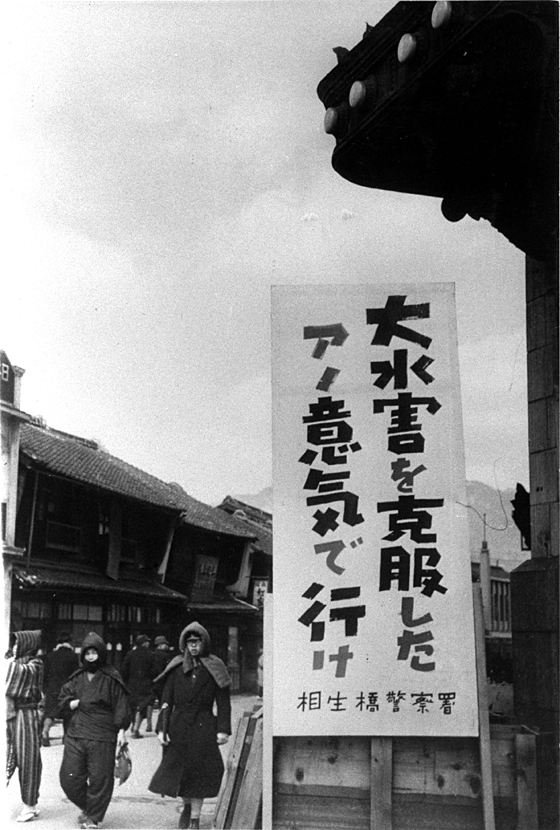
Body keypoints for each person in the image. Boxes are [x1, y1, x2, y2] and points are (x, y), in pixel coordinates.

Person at [148, 622, 232, 829]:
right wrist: (162, 728)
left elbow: (223, 701)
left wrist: (223, 729)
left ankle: (195, 817)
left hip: (203, 726)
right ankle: (186, 806)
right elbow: (167, 700)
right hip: (178, 726)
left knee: (200, 773)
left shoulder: (216, 667)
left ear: (205, 643)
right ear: (184, 645)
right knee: (179, 772)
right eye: (190, 642)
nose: (193, 646)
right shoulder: (176, 667)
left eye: (197, 642)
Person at [58, 631, 131, 830]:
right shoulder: (77, 677)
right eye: (87, 653)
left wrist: (122, 730)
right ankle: (90, 807)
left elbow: (121, 706)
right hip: (76, 732)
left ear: (101, 654)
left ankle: (94, 818)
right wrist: (71, 704)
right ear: (82, 655)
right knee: (69, 778)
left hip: (103, 734)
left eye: (94, 653)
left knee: (100, 778)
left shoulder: (111, 677)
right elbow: (61, 701)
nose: (91, 657)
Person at [6, 630, 44, 823]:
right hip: (13, 715)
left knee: (28, 759)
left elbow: (16, 675)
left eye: (16, 644)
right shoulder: (17, 662)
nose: (13, 647)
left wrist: (9, 662)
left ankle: (30, 805)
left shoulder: (34, 664)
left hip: (26, 715)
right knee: (8, 756)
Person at [41, 631, 80, 746]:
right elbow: (75, 675)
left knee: (50, 713)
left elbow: (45, 675)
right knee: (68, 714)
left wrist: (45, 689)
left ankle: (45, 732)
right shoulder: (73, 656)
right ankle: (65, 737)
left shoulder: (50, 656)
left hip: (52, 688)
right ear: (69, 642)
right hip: (67, 690)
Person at [121, 634, 158, 737]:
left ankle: (134, 725)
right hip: (145, 684)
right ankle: (136, 728)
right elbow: (155, 671)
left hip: (132, 685)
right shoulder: (150, 655)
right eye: (147, 641)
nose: (148, 643)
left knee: (133, 706)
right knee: (142, 707)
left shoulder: (130, 654)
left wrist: (126, 681)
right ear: (144, 643)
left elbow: (124, 670)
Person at [152, 635, 173, 708]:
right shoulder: (166, 656)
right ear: (160, 645)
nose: (167, 646)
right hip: (163, 681)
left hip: (152, 681)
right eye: (165, 644)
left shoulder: (151, 654)